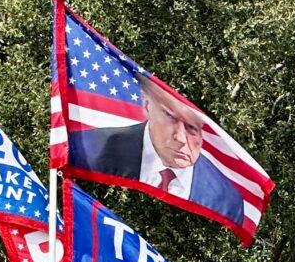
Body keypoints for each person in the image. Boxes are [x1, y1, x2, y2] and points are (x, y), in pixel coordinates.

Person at [67, 78, 240, 224]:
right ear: (147, 103)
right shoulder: (91, 145)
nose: (180, 137)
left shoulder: (225, 197)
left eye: (191, 127)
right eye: (170, 116)